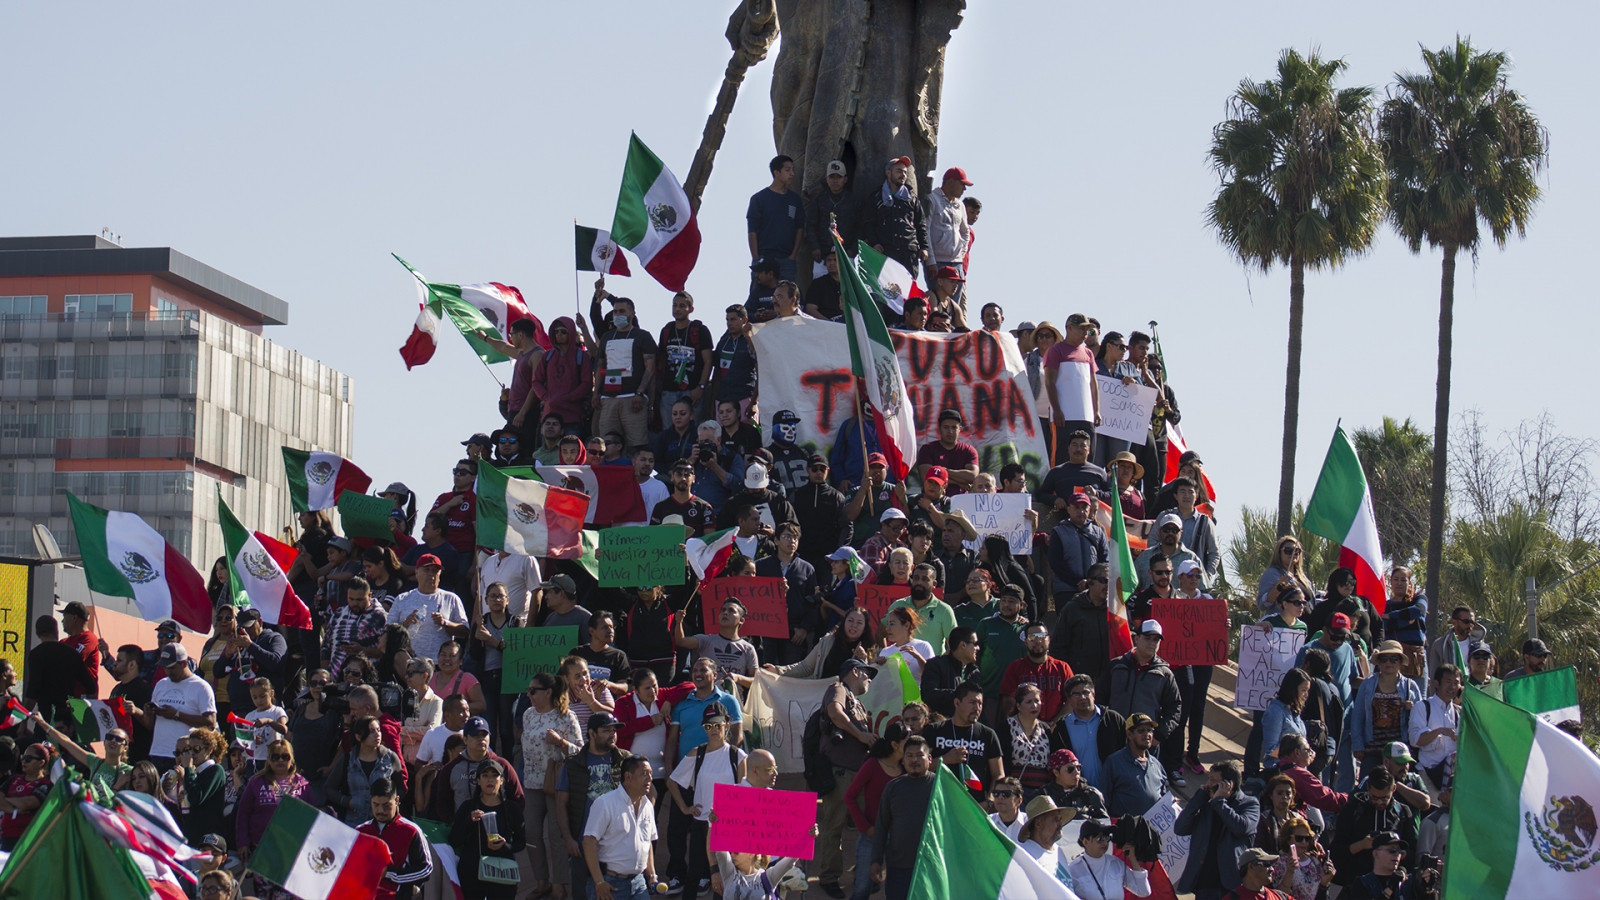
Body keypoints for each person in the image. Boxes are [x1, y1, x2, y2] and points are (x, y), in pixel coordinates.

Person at [668, 703, 746, 900]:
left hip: (727, 827)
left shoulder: (737, 756)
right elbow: (672, 781)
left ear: (727, 725)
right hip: (701, 823)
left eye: (717, 725)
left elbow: (744, 794)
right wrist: (685, 808)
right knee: (694, 874)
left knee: (725, 876)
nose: (713, 730)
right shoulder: (697, 753)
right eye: (708, 726)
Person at [557, 711, 630, 900]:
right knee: (582, 894)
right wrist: (568, 838)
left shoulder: (625, 760)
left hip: (616, 842)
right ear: (592, 733)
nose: (612, 735)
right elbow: (561, 803)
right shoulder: (573, 764)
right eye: (606, 731)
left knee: (615, 894)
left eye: (614, 731)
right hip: (583, 843)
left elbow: (648, 793)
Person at [1104, 620, 1184, 783]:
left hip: (1145, 741)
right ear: (1136, 638)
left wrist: (1159, 734)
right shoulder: (1116, 666)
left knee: (1144, 784)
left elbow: (1175, 707)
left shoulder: (1165, 674)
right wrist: (1105, 726)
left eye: (1156, 640)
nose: (1152, 643)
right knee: (1112, 781)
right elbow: (1101, 697)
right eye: (1147, 638)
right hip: (1114, 737)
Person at [1174, 760, 1261, 900]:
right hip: (1205, 884)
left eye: (1213, 781)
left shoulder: (1249, 804)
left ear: (1229, 784)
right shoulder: (1207, 803)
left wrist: (1220, 802)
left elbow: (1241, 828)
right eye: (1209, 779)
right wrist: (1199, 797)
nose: (1209, 784)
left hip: (1232, 884)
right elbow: (1180, 828)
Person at [584, 755, 661, 900]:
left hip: (639, 883)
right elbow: (588, 842)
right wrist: (599, 882)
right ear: (628, 777)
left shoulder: (648, 806)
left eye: (650, 773)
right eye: (644, 774)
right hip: (610, 883)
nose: (650, 778)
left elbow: (647, 843)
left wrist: (652, 876)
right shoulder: (605, 803)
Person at [450, 757, 527, 900]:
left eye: (494, 775)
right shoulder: (467, 807)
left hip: (502, 874)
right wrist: (469, 821)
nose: (490, 780)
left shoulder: (512, 808)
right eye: (485, 776)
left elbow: (521, 842)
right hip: (472, 873)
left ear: (502, 780)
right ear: (478, 781)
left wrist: (505, 846)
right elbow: (454, 840)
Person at [868, 734, 935, 900]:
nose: (914, 760)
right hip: (898, 867)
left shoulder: (940, 786)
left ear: (929, 759)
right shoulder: (892, 788)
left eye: (919, 755)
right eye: (909, 756)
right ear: (903, 761)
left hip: (931, 866)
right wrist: (876, 860)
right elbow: (881, 826)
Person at [1330, 767, 1416, 889]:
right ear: (1368, 788)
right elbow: (1337, 850)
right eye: (1374, 797)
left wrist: (1394, 852)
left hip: (1391, 885)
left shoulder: (1403, 813)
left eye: (1385, 798)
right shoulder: (1352, 810)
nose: (1379, 802)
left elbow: (1412, 851)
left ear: (1393, 789)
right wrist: (1361, 845)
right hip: (1357, 883)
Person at [138, 643, 217, 771]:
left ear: (184, 663)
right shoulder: (161, 684)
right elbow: (149, 725)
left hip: (183, 755)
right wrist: (148, 713)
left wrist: (177, 715)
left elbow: (211, 723)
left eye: (172, 667)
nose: (168, 671)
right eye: (165, 667)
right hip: (157, 752)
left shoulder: (201, 686)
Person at [1350, 641, 1422, 779]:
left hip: (1400, 751)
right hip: (1372, 749)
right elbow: (1358, 716)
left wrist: (1412, 709)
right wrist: (1357, 745)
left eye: (1393, 659)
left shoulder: (1410, 686)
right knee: (1368, 786)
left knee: (1401, 787)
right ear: (1379, 662)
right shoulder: (1367, 685)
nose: (1388, 662)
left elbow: (1420, 720)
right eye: (1384, 659)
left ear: (1400, 662)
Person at [436, 715, 524, 824]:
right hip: (465, 830)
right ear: (465, 739)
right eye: (475, 735)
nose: (481, 738)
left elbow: (518, 798)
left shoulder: (502, 765)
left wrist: (508, 821)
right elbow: (442, 803)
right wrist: (456, 823)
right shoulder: (451, 769)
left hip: (498, 829)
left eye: (484, 734)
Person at [387, 554, 470, 666]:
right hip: (409, 664)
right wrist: (405, 624)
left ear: (439, 575)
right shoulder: (402, 598)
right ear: (417, 572)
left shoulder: (451, 598)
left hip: (439, 664)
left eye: (435, 571)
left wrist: (445, 623)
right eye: (426, 570)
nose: (431, 574)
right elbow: (387, 630)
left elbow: (465, 632)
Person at [1042, 315, 1101, 464]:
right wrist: (1056, 409)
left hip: (1086, 415)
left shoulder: (1088, 353)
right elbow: (1049, 382)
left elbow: (1093, 385)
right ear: (1069, 328)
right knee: (1062, 457)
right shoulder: (1055, 350)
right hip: (1064, 416)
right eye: (1081, 329)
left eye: (1087, 330)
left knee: (1088, 457)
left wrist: (1097, 410)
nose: (1085, 333)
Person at [927, 682, 1002, 798]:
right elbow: (920, 766)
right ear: (957, 703)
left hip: (975, 804)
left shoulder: (988, 734)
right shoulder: (934, 730)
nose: (977, 708)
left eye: (980, 704)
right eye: (972, 703)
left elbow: (998, 775)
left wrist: (990, 801)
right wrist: (945, 759)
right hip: (940, 801)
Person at [327, 714, 404, 825]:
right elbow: (329, 788)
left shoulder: (391, 758)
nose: (377, 734)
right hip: (353, 822)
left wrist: (389, 803)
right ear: (358, 737)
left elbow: (401, 788)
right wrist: (348, 802)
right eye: (371, 731)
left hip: (383, 822)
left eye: (378, 730)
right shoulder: (347, 760)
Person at [860, 155, 929, 274]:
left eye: (905, 172)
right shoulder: (876, 197)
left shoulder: (912, 198)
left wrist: (924, 247)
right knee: (887, 285)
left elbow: (920, 224)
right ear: (888, 173)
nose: (903, 175)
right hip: (886, 251)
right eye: (899, 171)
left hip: (908, 252)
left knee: (909, 286)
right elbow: (868, 223)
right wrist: (874, 243)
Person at [25, 614, 96, 726]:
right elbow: (90, 686)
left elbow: (34, 688)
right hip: (68, 715)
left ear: (37, 633)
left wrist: (23, 720)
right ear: (56, 631)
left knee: (43, 736)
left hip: (46, 715)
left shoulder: (36, 654)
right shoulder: (72, 653)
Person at [673, 597, 759, 687]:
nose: (725, 613)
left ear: (741, 620)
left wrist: (738, 678)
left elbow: (756, 682)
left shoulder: (748, 648)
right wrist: (679, 622)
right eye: (723, 610)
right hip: (706, 695)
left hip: (734, 695)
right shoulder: (707, 640)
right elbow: (681, 641)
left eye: (731, 611)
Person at [1050, 563, 1113, 681]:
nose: (1108, 585)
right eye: (1104, 580)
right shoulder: (1072, 609)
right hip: (1079, 680)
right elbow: (1057, 647)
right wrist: (1067, 677)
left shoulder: (1115, 609)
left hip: (1109, 679)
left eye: (1111, 581)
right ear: (1090, 582)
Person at [1002, 621, 1074, 722]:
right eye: (1032, 637)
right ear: (1025, 641)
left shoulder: (1062, 667)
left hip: (1056, 727)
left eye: (1041, 636)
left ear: (1049, 639)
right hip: (1024, 727)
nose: (1037, 641)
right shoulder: (1015, 668)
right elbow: (1008, 701)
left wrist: (1055, 723)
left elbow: (1071, 700)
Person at [1067, 818, 1153, 900]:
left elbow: (1144, 891)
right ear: (1085, 842)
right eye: (1099, 839)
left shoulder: (1116, 863)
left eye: (1107, 838)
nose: (1105, 843)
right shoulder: (1073, 869)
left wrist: (1132, 858)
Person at [1101, 713, 1168, 818]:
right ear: (1129, 734)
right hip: (1123, 827)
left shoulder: (1157, 765)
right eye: (1141, 730)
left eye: (1150, 730)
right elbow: (1103, 801)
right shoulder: (1114, 762)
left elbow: (1164, 801)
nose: (1147, 734)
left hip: (1152, 827)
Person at [1048, 487, 1108, 602]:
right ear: (1068, 509)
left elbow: (1105, 561)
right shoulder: (1058, 532)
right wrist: (1078, 582)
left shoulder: (1099, 532)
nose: (1081, 511)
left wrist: (1091, 582)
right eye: (1076, 507)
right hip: (1065, 589)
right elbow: (1055, 562)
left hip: (1094, 590)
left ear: (1089, 509)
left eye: (1084, 508)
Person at [995, 683, 1056, 796]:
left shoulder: (1045, 729)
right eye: (1029, 702)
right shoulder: (1005, 727)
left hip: (1041, 792)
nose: (1034, 706)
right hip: (1015, 792)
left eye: (1037, 701)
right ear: (1018, 706)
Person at [1410, 664, 1460, 788]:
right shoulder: (1422, 707)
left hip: (1453, 777)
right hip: (1427, 774)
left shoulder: (1460, 712)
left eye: (1456, 683)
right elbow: (1415, 740)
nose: (1452, 687)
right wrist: (1439, 731)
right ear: (1436, 683)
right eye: (1448, 682)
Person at [919, 626, 980, 719]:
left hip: (967, 724)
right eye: (975, 644)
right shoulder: (935, 665)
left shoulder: (974, 672)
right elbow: (928, 694)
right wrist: (959, 694)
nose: (978, 648)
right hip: (941, 724)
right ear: (963, 645)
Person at [0, 741, 51, 851]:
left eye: (28, 759)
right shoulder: (14, 778)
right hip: (6, 838)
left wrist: (6, 799)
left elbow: (27, 803)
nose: (24, 761)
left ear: (41, 762)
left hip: (27, 840)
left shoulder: (45, 784)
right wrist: (14, 810)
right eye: (23, 757)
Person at [1343, 831, 1423, 900]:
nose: (1397, 854)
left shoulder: (1410, 882)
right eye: (1392, 850)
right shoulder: (1362, 883)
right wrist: (1390, 889)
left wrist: (1427, 889)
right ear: (1376, 854)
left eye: (1399, 851)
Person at [1015, 795, 1074, 889]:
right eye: (1055, 820)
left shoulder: (1058, 851)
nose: (1060, 824)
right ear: (1038, 824)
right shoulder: (1025, 854)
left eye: (1060, 819)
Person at [1259, 668, 1310, 772]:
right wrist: (1298, 755)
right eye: (1303, 690)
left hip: (1298, 771)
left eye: (1307, 690)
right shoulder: (1275, 712)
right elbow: (1271, 749)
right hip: (1281, 772)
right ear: (1292, 689)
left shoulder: (1294, 711)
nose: (1306, 695)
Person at [1427, 605, 1488, 678]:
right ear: (1454, 622)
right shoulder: (1440, 645)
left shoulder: (1478, 645)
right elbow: (1434, 675)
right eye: (1466, 622)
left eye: (1472, 622)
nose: (1470, 625)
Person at [877, 607, 934, 678]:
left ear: (906, 625)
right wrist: (877, 666)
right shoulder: (885, 652)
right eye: (887, 624)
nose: (887, 628)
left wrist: (918, 657)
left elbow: (932, 675)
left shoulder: (923, 646)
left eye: (892, 624)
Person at [1223, 848, 1293, 900]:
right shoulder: (1233, 898)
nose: (1272, 869)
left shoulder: (1281, 897)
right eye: (1267, 864)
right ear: (1251, 867)